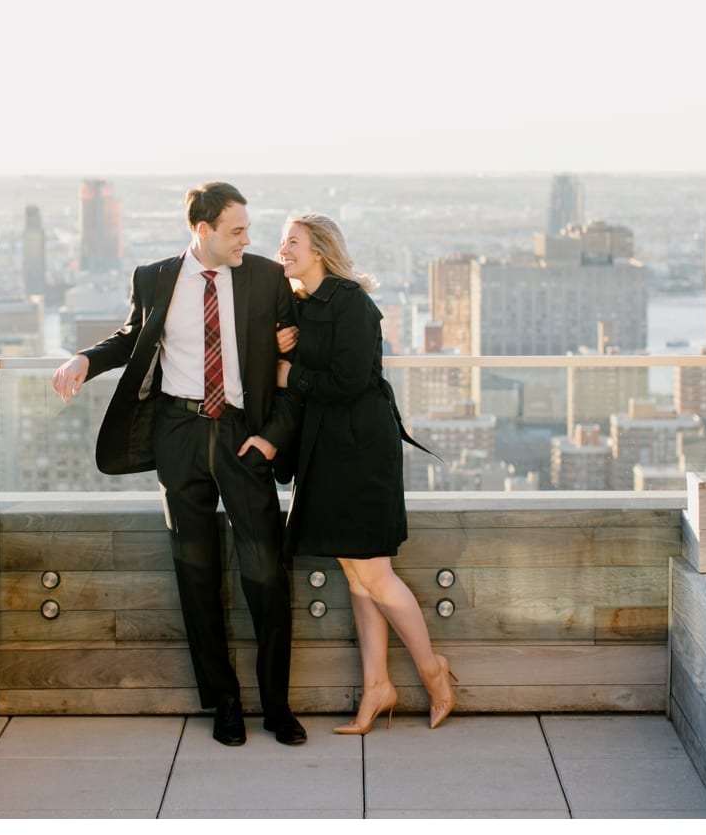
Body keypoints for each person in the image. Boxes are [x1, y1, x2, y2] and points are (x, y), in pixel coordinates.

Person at [52, 181, 306, 747]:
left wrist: (271, 438)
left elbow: (295, 365)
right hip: (179, 434)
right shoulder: (155, 277)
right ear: (204, 230)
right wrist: (83, 359)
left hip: (245, 437)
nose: (247, 238)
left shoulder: (265, 278)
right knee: (196, 576)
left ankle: (277, 707)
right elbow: (131, 337)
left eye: (247, 228)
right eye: (236, 230)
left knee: (265, 573)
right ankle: (224, 706)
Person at [275, 213, 457, 733]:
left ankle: (432, 670)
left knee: (373, 573)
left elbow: (352, 380)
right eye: (283, 241)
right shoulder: (301, 307)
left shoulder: (351, 302)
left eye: (293, 242)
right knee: (355, 574)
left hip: (360, 450)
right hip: (326, 451)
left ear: (320, 251)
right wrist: (281, 351)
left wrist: (293, 372)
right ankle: (377, 686)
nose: (283, 249)